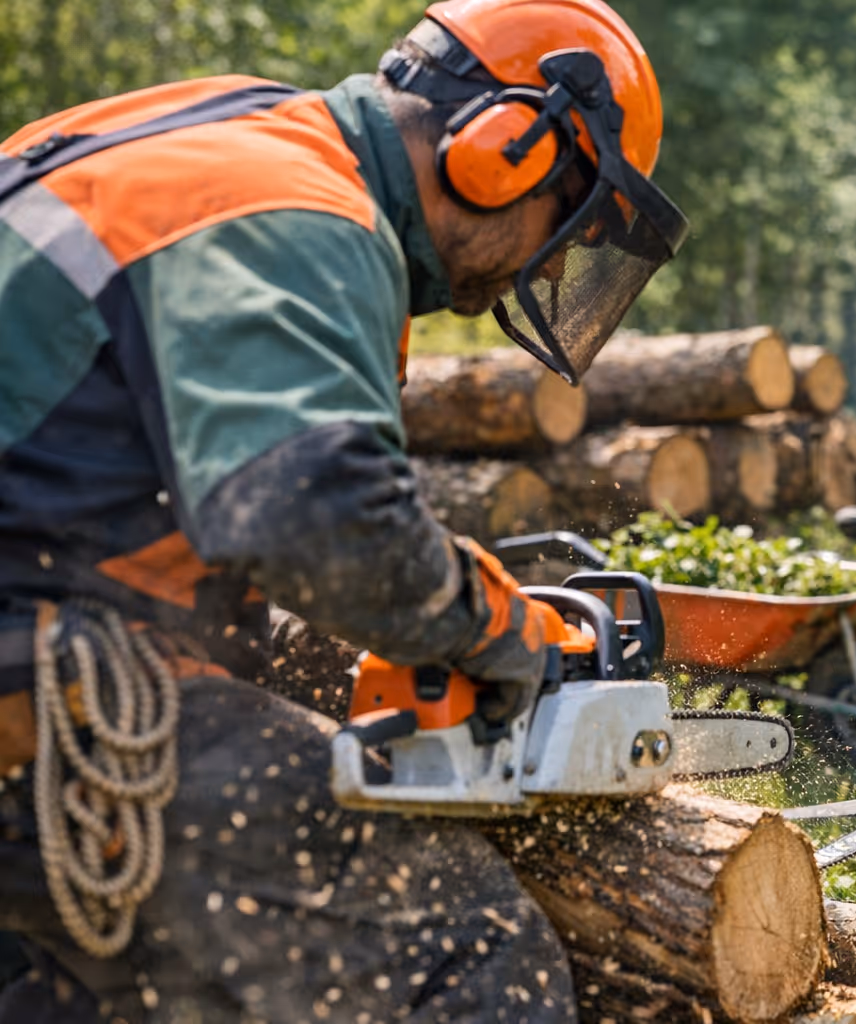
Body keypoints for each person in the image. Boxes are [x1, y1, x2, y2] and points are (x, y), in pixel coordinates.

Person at [0, 0, 686, 1019]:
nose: (545, 265)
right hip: (43, 689)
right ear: (506, 147)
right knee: (475, 952)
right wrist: (497, 623)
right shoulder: (299, 213)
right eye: (566, 221)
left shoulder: (229, 135)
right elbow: (311, 516)